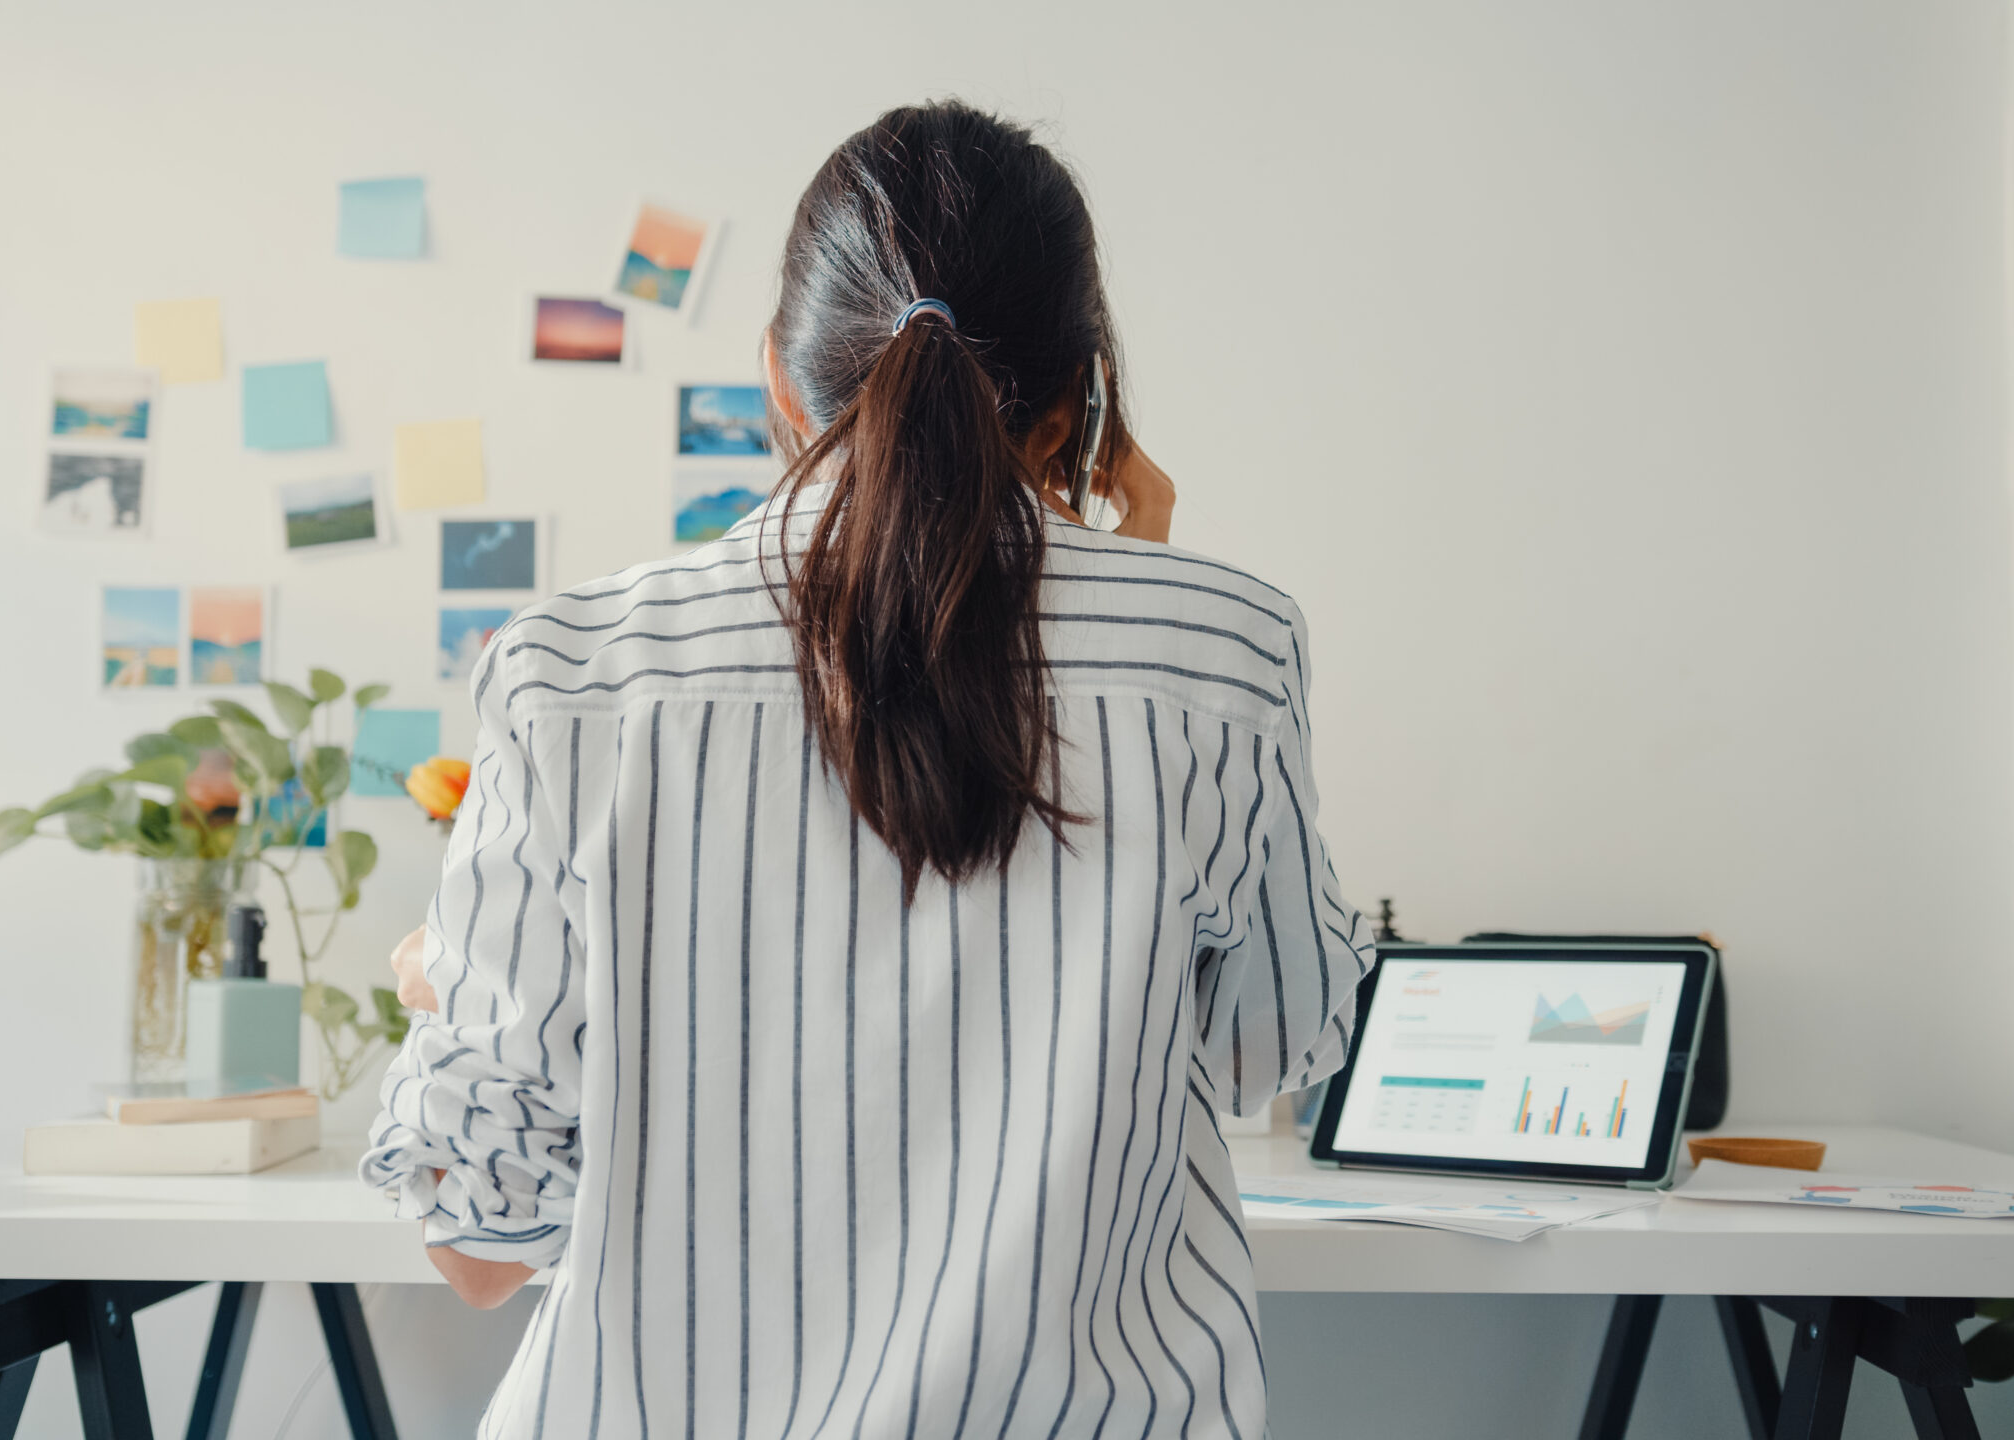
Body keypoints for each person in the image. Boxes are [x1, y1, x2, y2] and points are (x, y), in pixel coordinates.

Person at [363, 99, 1373, 1440]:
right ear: (1078, 400)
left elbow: (482, 1245)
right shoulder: (1226, 651)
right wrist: (1155, 565)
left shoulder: (573, 669)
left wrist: (435, 979)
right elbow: (1268, 1051)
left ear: (779, 384)